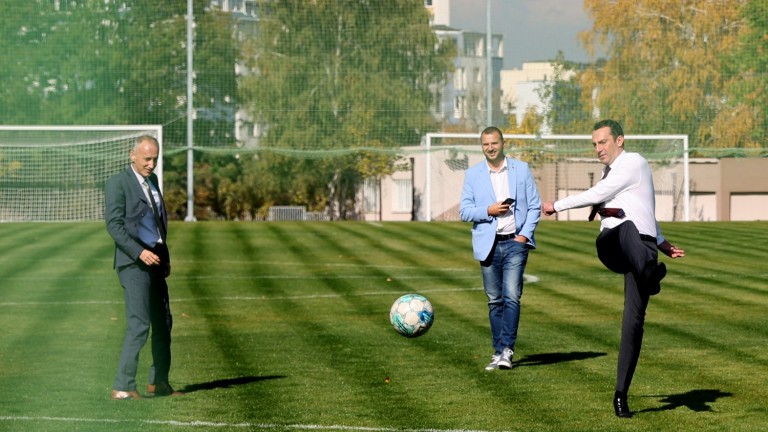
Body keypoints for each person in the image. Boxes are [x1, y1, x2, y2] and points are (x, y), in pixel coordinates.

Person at [542, 119, 685, 418]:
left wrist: (662, 243)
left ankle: (621, 395)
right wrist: (558, 206)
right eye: (594, 144)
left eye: (602, 142)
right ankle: (650, 274)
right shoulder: (613, 173)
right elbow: (603, 197)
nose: (598, 148)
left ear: (620, 140)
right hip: (613, 245)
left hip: (643, 251)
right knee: (625, 226)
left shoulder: (633, 162)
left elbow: (643, 208)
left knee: (633, 324)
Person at [105, 135, 182, 400]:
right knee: (139, 324)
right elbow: (113, 225)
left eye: (155, 159)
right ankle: (123, 386)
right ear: (132, 155)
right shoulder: (118, 183)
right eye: (147, 159)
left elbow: (158, 223)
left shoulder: (154, 181)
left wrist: (165, 255)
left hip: (157, 262)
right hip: (133, 263)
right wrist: (140, 253)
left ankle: (158, 382)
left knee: (164, 322)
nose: (151, 164)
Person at [459, 126, 541, 371]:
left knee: (511, 296)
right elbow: (464, 211)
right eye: (486, 144)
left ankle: (507, 349)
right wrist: (488, 211)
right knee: (495, 300)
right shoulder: (473, 175)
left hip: (515, 242)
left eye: (494, 143)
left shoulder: (521, 169)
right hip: (489, 244)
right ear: (481, 146)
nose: (490, 148)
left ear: (503, 143)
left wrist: (524, 236)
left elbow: (535, 206)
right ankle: (498, 352)